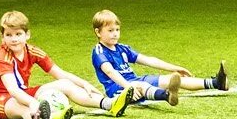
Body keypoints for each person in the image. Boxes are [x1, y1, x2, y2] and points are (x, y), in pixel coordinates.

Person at [0, 10, 129, 119]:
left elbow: (60, 73)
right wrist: (33, 102)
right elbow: (13, 90)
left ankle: (108, 104)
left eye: (18, 34)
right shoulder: (2, 56)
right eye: (9, 35)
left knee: (64, 83)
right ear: (2, 37)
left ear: (27, 35)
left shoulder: (32, 51)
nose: (14, 39)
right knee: (20, 105)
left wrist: (84, 84)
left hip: (22, 92)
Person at [90, 9, 227, 106]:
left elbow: (149, 60)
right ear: (98, 32)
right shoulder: (99, 51)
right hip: (118, 89)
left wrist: (175, 68)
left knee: (172, 79)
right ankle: (167, 96)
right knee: (141, 85)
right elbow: (110, 71)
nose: (115, 34)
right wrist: (128, 86)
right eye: (110, 31)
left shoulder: (122, 48)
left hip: (133, 80)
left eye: (117, 30)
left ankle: (216, 83)